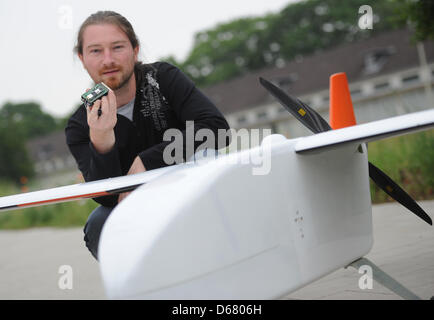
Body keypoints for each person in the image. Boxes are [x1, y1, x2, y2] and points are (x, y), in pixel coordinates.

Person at [65, 11, 230, 260]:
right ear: (82, 58)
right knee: (98, 225)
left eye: (117, 47)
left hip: (187, 188)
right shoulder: (80, 124)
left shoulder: (162, 78)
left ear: (135, 49)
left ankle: (223, 257)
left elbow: (216, 129)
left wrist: (146, 162)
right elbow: (104, 197)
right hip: (134, 208)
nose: (108, 60)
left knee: (208, 156)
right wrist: (102, 139)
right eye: (96, 51)